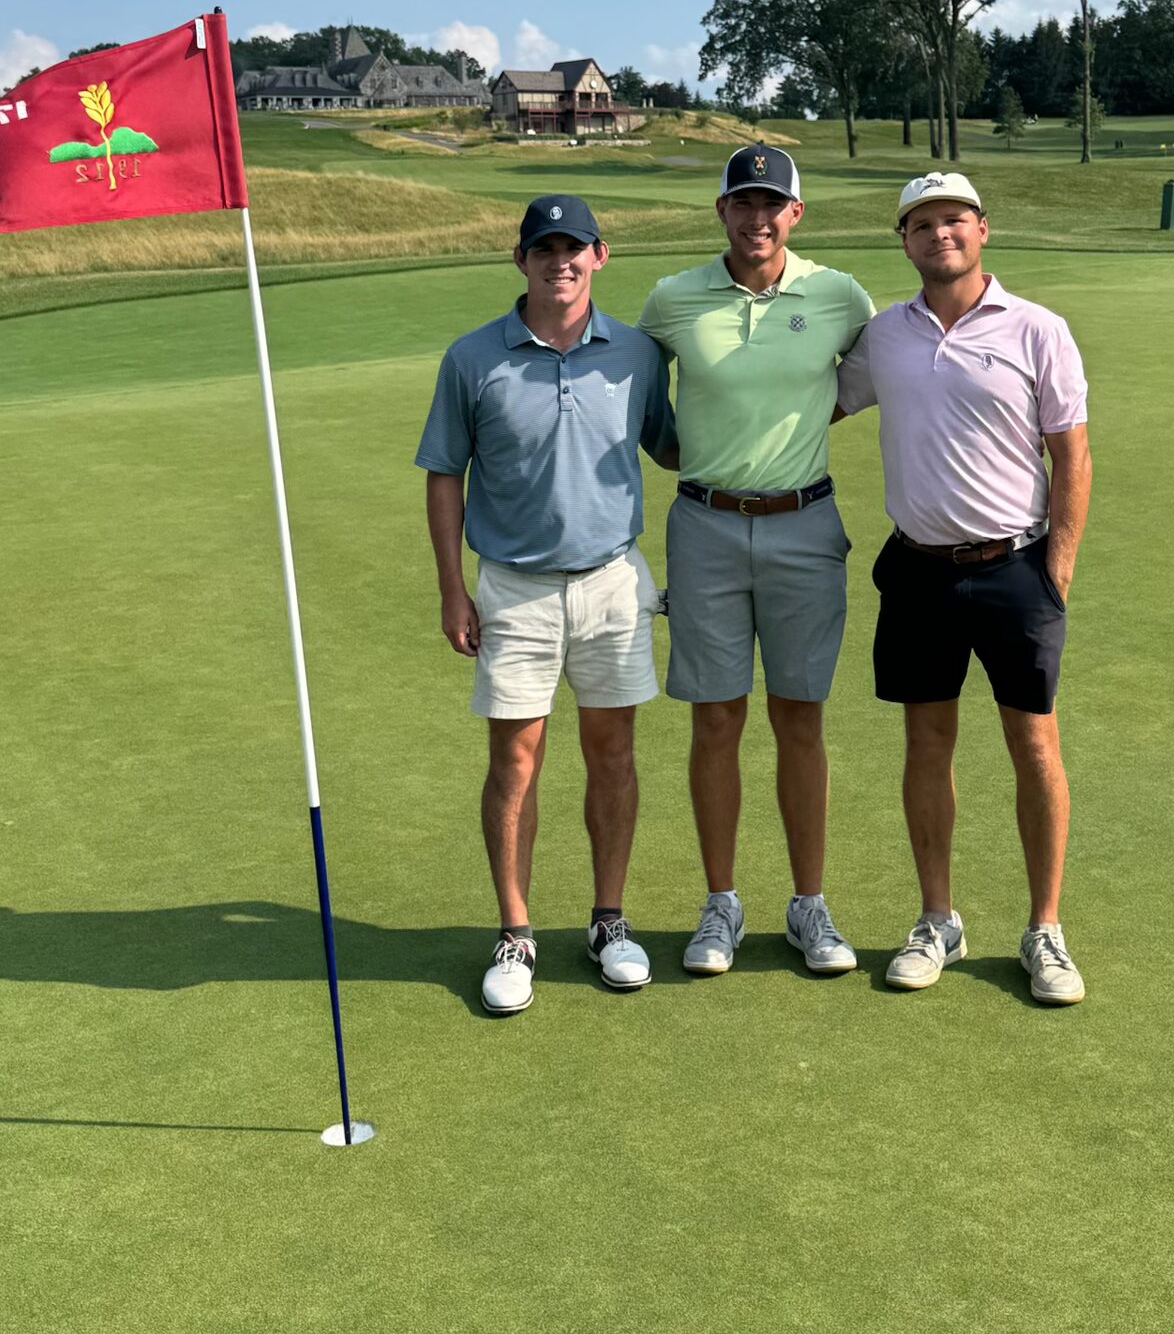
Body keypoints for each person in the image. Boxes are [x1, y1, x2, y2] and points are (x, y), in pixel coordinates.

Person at [835, 171, 1092, 1005]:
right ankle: (937, 918)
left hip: (1016, 566)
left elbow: (1072, 453)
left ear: (983, 229)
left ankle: (1045, 930)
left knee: (1035, 747)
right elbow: (813, 403)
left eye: (953, 220)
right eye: (921, 224)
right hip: (917, 569)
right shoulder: (885, 336)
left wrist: (1056, 566)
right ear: (903, 241)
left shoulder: (1039, 330)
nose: (938, 235)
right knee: (927, 745)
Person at [417, 194, 678, 1015]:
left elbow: (673, 444)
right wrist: (453, 588)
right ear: (520, 260)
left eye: (575, 248)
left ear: (600, 256)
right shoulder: (472, 358)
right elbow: (443, 474)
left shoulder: (637, 353)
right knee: (515, 764)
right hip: (516, 590)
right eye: (543, 249)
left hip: (611, 583)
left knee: (613, 756)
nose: (559, 261)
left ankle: (608, 922)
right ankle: (517, 934)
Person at [638, 144, 875, 976]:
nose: (757, 218)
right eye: (743, 202)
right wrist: (685, 451)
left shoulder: (839, 295)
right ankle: (721, 905)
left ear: (796, 214)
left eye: (773, 203)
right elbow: (638, 396)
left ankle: (810, 905)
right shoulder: (673, 299)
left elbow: (871, 377)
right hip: (703, 526)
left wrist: (803, 426)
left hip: (805, 527)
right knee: (716, 718)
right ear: (722, 212)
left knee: (800, 716)